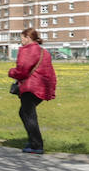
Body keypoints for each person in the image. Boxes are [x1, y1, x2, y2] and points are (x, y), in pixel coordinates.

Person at [8, 27, 57, 155]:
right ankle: (32, 141)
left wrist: (11, 72)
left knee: (28, 114)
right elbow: (50, 72)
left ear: (28, 38)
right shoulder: (43, 52)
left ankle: (37, 145)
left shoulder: (28, 50)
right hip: (42, 86)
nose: (21, 41)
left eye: (22, 38)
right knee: (25, 113)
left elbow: (22, 70)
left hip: (30, 87)